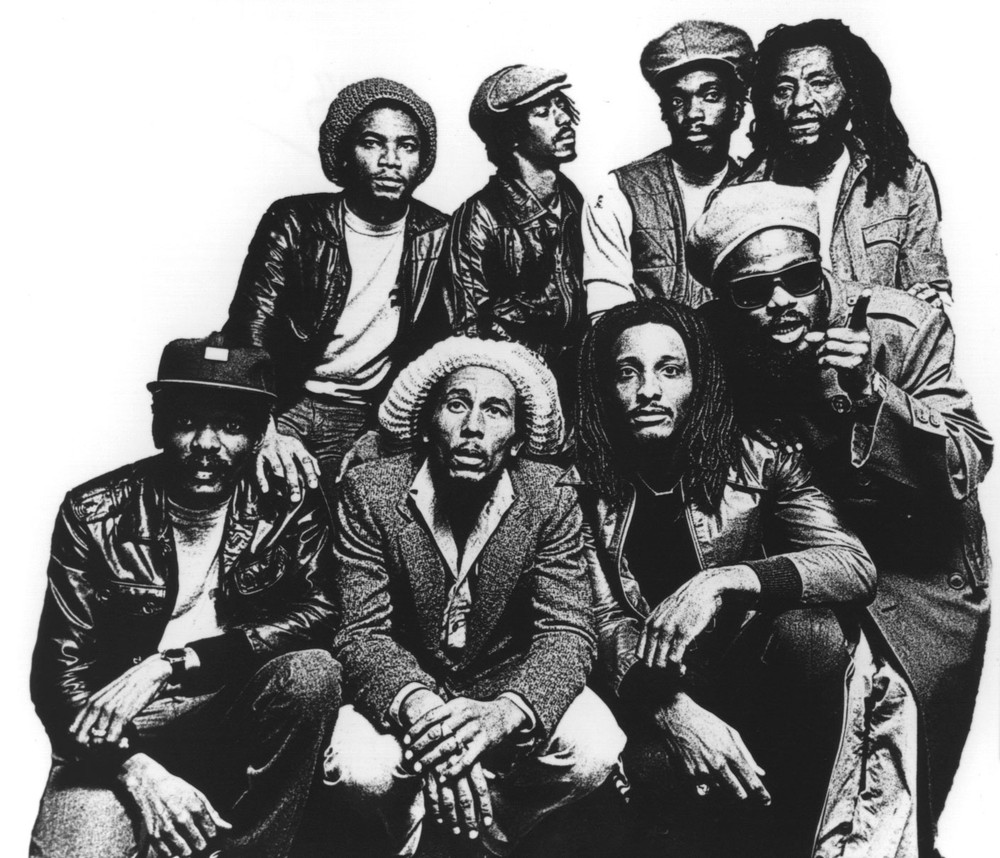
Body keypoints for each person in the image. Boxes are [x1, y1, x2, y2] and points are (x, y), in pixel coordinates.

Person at [689, 182, 992, 851]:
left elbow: (968, 460)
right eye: (753, 290)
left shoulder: (899, 326)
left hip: (920, 577)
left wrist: (873, 393)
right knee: (800, 769)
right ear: (724, 298)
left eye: (799, 278)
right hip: (807, 565)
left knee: (895, 775)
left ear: (821, 265)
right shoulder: (711, 342)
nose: (780, 301)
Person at [569, 298, 877, 856]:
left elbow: (852, 564)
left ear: (699, 380)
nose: (648, 390)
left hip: (745, 670)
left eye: (670, 370)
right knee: (660, 781)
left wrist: (720, 581)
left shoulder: (759, 456)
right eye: (627, 372)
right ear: (603, 388)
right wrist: (673, 711)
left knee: (812, 633)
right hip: (647, 684)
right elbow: (599, 619)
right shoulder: (577, 485)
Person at [30, 335, 341, 858]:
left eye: (232, 426)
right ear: (158, 426)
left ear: (259, 435)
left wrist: (175, 662)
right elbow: (58, 676)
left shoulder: (288, 505)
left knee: (313, 674)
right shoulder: (93, 511)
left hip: (229, 713)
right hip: (123, 730)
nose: (206, 443)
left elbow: (321, 614)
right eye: (186, 421)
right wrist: (135, 770)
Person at [326, 336, 624, 856]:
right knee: (359, 771)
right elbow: (361, 634)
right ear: (427, 425)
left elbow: (568, 631)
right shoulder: (368, 491)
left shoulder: (551, 495)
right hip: (407, 684)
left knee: (596, 747)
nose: (473, 426)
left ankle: (480, 833)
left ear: (516, 440)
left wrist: (504, 713)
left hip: (503, 682)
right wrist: (426, 714)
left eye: (496, 410)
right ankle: (424, 833)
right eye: (457, 404)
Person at [224, 77, 450, 501]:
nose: (390, 160)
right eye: (372, 143)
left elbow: (438, 355)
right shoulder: (294, 221)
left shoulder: (439, 236)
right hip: (281, 402)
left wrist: (385, 432)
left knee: (360, 517)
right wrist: (264, 429)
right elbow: (249, 332)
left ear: (423, 160)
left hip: (368, 416)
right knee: (248, 502)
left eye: (407, 146)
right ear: (344, 152)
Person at [739, 19, 950, 306]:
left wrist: (929, 301)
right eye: (783, 89)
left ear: (851, 93)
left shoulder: (904, 181)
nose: (800, 101)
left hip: (877, 335)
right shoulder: (741, 193)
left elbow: (930, 292)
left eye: (819, 83)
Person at [583, 20, 753, 315]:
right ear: (664, 113)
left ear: (737, 109)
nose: (693, 113)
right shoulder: (616, 191)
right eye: (677, 100)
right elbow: (606, 312)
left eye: (711, 96)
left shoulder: (758, 185)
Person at [445, 66, 586, 385]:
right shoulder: (479, 216)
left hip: (577, 379)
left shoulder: (576, 202)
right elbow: (469, 330)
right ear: (510, 135)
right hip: (513, 382)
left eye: (561, 106)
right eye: (543, 112)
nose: (564, 119)